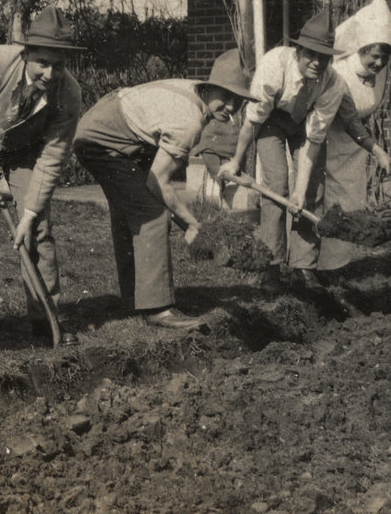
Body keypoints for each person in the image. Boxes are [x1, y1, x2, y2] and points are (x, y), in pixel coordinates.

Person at [74, 49, 256, 329]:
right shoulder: (189, 121)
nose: (232, 107)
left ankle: (134, 296)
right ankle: (158, 309)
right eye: (227, 96)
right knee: (152, 214)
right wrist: (191, 223)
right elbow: (157, 180)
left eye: (238, 101)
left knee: (130, 211)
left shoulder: (194, 96)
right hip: (104, 139)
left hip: (108, 127)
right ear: (210, 88)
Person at [0, 6, 84, 344]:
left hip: (27, 152)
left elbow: (53, 156)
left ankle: (45, 317)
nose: (50, 73)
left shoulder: (68, 93)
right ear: (25, 53)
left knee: (37, 230)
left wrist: (28, 212)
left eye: (59, 65)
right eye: (42, 63)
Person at [218, 11, 346, 297]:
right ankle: (271, 265)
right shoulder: (275, 65)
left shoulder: (333, 84)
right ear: (298, 50)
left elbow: (313, 141)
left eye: (324, 57)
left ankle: (304, 266)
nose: (317, 63)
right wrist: (237, 161)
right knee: (276, 185)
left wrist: (300, 192)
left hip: (306, 124)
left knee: (312, 190)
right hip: (271, 121)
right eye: (311, 54)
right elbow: (253, 120)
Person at [318, 0, 391, 273]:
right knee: (329, 201)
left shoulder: (381, 74)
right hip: (328, 137)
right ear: (361, 49)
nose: (379, 62)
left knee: (351, 200)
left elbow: (363, 112)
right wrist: (377, 150)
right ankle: (316, 265)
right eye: (374, 56)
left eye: (384, 57)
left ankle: (338, 264)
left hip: (354, 143)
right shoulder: (340, 73)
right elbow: (348, 118)